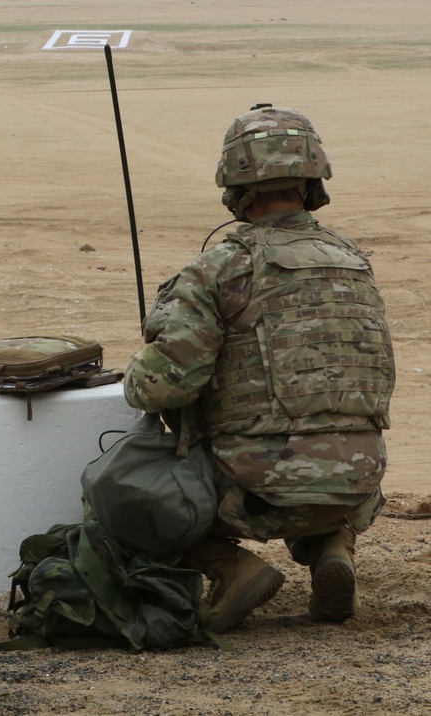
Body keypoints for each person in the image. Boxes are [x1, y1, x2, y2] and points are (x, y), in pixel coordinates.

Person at [122, 104, 395, 633]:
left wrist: (137, 371)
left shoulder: (221, 266)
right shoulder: (354, 260)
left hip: (255, 495)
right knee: (325, 439)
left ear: (235, 188)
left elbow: (164, 387)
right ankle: (332, 548)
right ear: (314, 181)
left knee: (116, 488)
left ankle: (233, 568)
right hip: (358, 483)